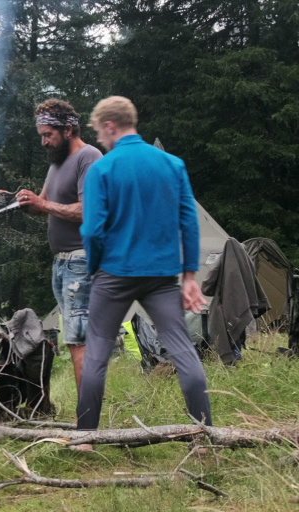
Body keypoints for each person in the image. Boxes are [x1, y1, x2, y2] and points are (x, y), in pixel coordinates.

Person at [75, 96, 212, 448]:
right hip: (161, 277)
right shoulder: (172, 164)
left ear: (110, 126)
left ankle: (85, 439)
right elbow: (188, 222)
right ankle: (205, 434)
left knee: (98, 353)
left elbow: (92, 230)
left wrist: (95, 269)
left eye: (99, 133)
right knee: (183, 350)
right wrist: (190, 276)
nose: (99, 141)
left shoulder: (102, 170)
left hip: (114, 274)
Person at [13, 99, 103, 396]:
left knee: (80, 341)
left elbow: (88, 210)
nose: (44, 141)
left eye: (48, 134)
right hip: (61, 262)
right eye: (41, 135)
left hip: (82, 258)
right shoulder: (56, 162)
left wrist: (43, 204)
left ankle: (87, 421)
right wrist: (21, 202)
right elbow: (44, 205)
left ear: (68, 129)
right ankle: (86, 418)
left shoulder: (89, 157)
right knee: (74, 339)